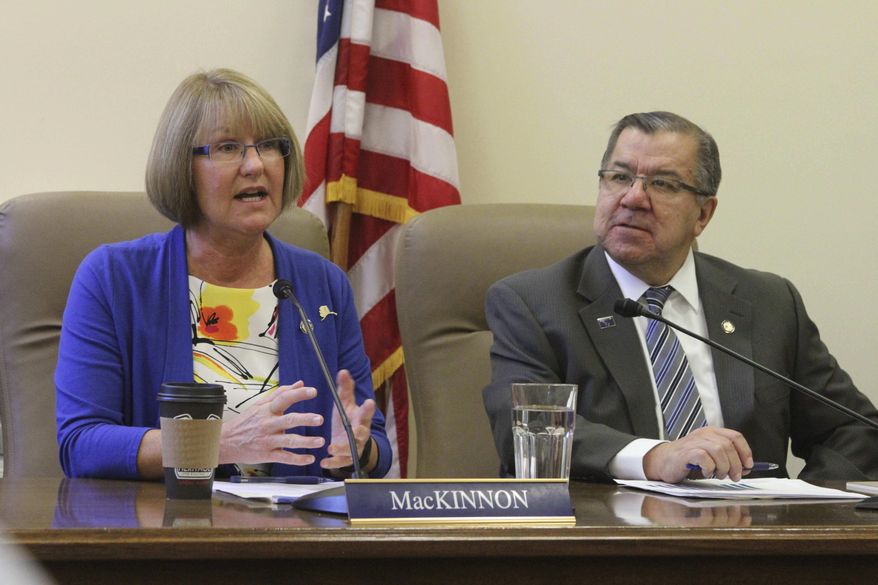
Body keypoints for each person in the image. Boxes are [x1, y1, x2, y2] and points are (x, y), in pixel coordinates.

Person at [483, 111, 878, 483]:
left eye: (663, 184)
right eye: (619, 177)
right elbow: (527, 431)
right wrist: (654, 457)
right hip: (609, 541)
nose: (634, 198)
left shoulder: (770, 302)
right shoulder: (532, 303)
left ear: (703, 214)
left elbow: (853, 429)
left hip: (754, 543)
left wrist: (801, 513)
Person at [55, 68, 391, 480]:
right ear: (182, 167)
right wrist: (214, 442)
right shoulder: (113, 279)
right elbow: (81, 444)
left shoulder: (321, 284)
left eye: (269, 146)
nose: (255, 165)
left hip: (298, 535)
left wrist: (360, 449)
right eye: (228, 147)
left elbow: (373, 441)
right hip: (165, 532)